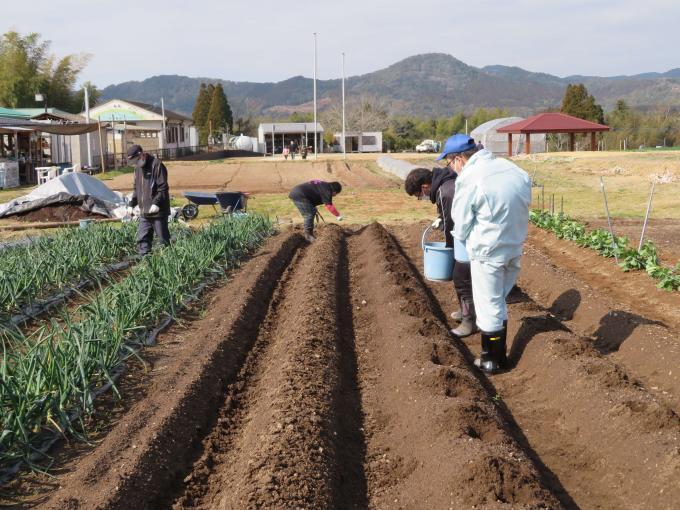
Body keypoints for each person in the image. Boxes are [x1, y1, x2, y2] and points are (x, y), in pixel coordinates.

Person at [449, 134, 532, 373]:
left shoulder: (470, 178)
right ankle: (499, 355)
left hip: (488, 250)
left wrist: (462, 238)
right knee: (498, 301)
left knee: (488, 305)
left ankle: (491, 360)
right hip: (514, 246)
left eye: (450, 163)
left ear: (459, 160)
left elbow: (462, 221)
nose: (452, 169)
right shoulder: (511, 169)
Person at [404, 155, 477, 338]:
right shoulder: (445, 182)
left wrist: (450, 251)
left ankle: (470, 321)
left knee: (461, 278)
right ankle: (466, 311)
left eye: (419, 195)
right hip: (469, 236)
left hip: (470, 239)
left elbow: (451, 224)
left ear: (425, 186)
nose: (421, 198)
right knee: (464, 277)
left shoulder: (445, 192)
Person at [127, 144, 171, 256]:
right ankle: (146, 263)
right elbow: (136, 189)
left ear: (142, 155)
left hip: (158, 212)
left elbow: (163, 188)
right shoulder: (137, 169)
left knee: (163, 240)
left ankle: (167, 264)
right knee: (143, 239)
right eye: (133, 162)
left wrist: (156, 203)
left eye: (136, 161)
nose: (135, 164)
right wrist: (131, 204)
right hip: (144, 212)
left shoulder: (157, 165)